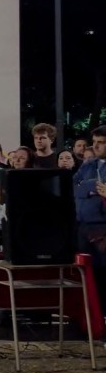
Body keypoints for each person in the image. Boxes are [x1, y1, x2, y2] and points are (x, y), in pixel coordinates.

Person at [72, 126, 106, 313]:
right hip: (83, 225)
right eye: (94, 142)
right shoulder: (88, 164)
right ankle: (88, 317)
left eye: (101, 142)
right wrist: (90, 188)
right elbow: (74, 187)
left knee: (103, 273)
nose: (96, 146)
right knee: (85, 273)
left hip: (102, 227)